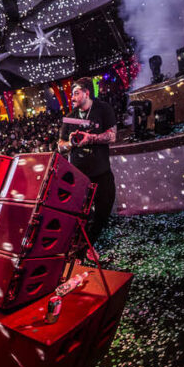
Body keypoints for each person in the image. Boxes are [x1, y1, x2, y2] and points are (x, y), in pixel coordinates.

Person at [58, 77, 116, 250]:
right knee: (80, 214)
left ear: (87, 93)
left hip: (101, 172)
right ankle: (81, 249)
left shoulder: (103, 109)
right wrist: (71, 143)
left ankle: (90, 243)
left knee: (104, 210)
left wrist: (90, 138)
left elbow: (112, 136)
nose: (72, 98)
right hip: (79, 176)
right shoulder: (70, 118)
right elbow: (60, 147)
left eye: (76, 93)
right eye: (72, 95)